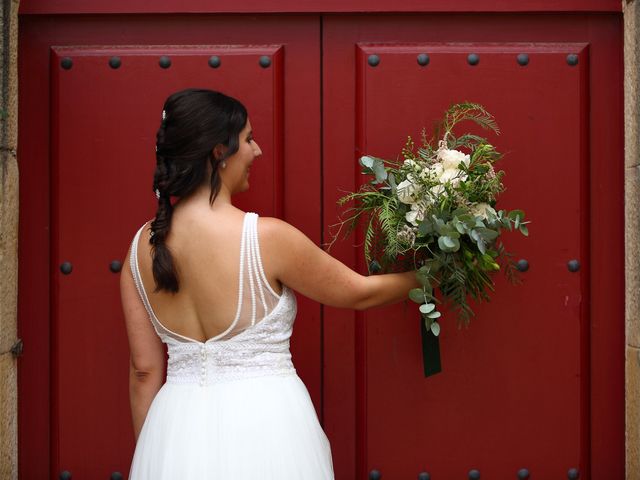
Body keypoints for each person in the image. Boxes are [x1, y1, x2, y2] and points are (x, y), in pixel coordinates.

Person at [120, 88, 419, 479]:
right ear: (218, 152)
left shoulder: (139, 249)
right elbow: (358, 293)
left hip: (172, 429)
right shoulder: (265, 238)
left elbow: (144, 371)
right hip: (266, 429)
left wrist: (155, 455)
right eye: (247, 139)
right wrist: (430, 276)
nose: (257, 151)